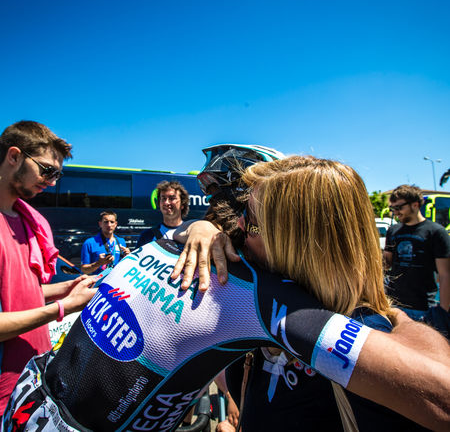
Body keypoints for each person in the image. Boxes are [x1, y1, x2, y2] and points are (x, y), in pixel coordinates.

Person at [4, 158, 449, 431]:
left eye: (247, 219)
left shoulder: (270, 299)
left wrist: (390, 315)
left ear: (295, 237)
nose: (234, 225)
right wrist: (200, 227)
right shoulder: (232, 270)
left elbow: (441, 397)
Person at [0, 120, 97, 414]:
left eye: (57, 174)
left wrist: (65, 288)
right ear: (14, 156)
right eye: (47, 170)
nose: (52, 182)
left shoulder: (26, 221)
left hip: (29, 383)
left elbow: (17, 294)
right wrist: (63, 307)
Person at [383, 184, 450, 320]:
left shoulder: (436, 232)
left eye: (399, 207)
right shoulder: (393, 231)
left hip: (424, 307)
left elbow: (445, 275)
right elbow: (386, 264)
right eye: (393, 208)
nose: (396, 212)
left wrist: (443, 311)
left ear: (415, 205)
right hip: (394, 304)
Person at [136, 180, 190, 247]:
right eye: (163, 199)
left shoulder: (191, 233)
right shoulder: (147, 236)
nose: (166, 203)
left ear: (182, 204)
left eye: (172, 198)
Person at [81, 210, 130, 275]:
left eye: (112, 222)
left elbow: (125, 266)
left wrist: (128, 257)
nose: (109, 225)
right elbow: (84, 270)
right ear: (100, 224)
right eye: (106, 222)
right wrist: (98, 263)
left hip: (115, 279)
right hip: (98, 280)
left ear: (115, 224)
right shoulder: (89, 243)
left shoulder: (121, 241)